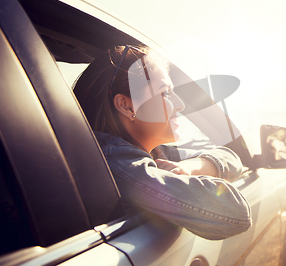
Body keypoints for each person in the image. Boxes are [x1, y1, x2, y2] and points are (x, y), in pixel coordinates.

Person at [73, 45, 251, 240]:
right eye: (165, 93)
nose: (180, 105)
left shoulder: (153, 152)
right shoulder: (118, 163)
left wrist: (188, 168)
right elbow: (237, 213)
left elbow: (231, 157)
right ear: (126, 105)